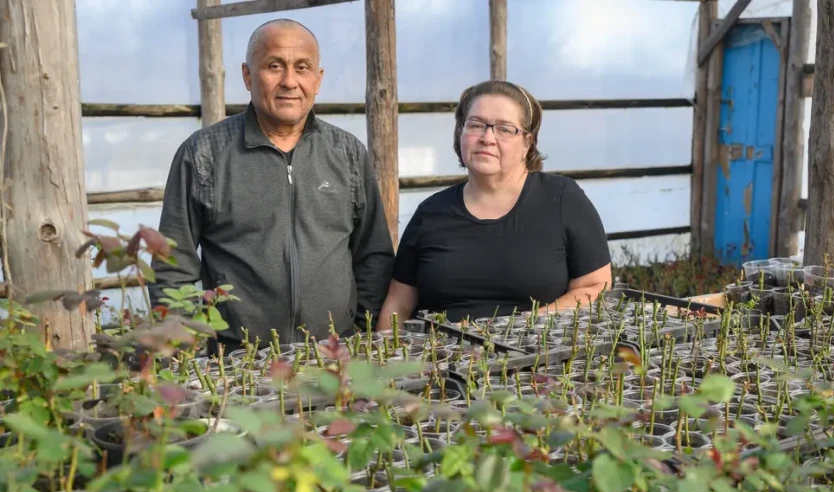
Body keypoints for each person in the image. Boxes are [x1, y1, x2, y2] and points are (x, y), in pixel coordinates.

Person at [149, 19, 394, 353]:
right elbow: (171, 266)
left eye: (302, 67)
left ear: (318, 79)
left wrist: (363, 337)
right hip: (237, 362)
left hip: (335, 358)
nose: (289, 81)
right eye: (274, 66)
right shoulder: (204, 154)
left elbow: (373, 256)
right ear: (248, 75)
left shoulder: (347, 154)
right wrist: (188, 354)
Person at [376, 80, 612, 331]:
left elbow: (595, 287)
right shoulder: (431, 213)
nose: (487, 138)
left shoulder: (562, 198)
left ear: (527, 143)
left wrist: (517, 327)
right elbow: (398, 305)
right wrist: (382, 364)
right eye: (476, 125)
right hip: (441, 362)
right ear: (460, 134)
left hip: (538, 357)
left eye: (504, 129)